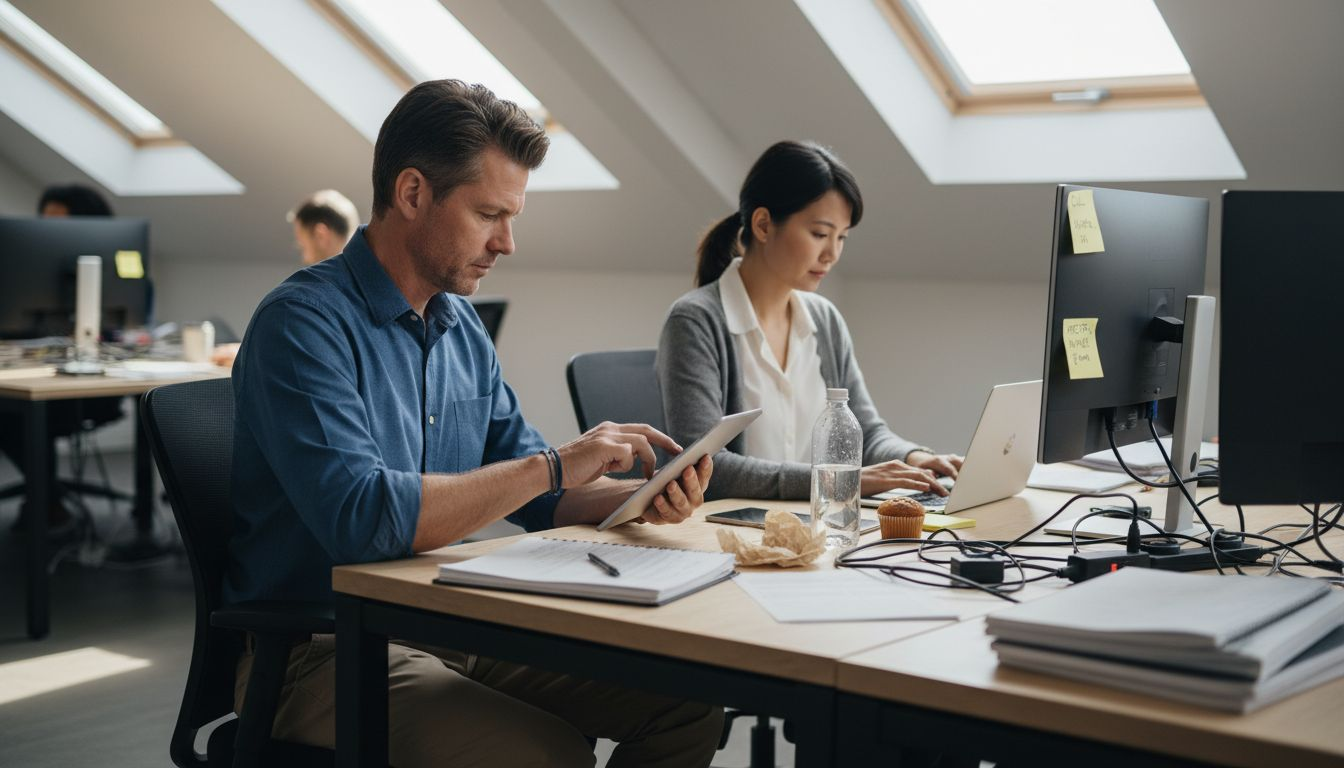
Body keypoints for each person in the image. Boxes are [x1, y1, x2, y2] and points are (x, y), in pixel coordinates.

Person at [226, 79, 722, 768]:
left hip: (449, 620)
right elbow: (362, 521)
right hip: (318, 650)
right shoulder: (302, 324)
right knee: (547, 754)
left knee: (687, 705)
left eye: (511, 216)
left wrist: (639, 496)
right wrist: (554, 465)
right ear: (411, 193)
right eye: (489, 214)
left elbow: (543, 496)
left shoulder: (459, 326)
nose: (507, 242)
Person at [657, 140, 962, 501]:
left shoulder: (824, 319)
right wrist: (839, 480)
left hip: (818, 524)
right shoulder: (695, 321)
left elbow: (867, 434)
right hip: (733, 529)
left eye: (841, 237)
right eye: (819, 234)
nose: (832, 254)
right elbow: (707, 468)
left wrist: (917, 458)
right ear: (763, 225)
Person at [2, 184, 123, 535]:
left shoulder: (114, 264)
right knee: (11, 413)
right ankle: (47, 500)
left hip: (93, 386)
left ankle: (46, 501)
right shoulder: (21, 268)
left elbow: (129, 320)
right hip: (31, 378)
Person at [211, 190, 361, 367]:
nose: (305, 258)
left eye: (303, 246)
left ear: (321, 235)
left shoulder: (322, 298)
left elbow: (314, 355)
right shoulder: (364, 288)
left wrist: (249, 355)